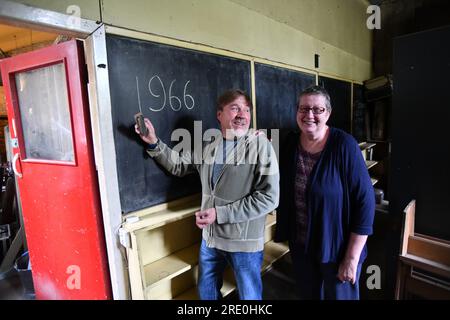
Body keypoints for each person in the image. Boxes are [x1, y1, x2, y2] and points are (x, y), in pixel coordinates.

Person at [135, 89, 279, 300]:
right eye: (235, 108)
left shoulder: (261, 145)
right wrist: (154, 143)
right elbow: (178, 165)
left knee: (250, 298)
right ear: (219, 114)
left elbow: (269, 197)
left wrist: (220, 214)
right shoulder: (207, 146)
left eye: (246, 109)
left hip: (244, 243)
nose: (242, 114)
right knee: (207, 294)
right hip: (210, 240)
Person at [274, 85, 375, 300]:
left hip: (338, 250)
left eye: (317, 109)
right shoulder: (290, 143)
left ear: (328, 113)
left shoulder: (344, 145)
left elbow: (365, 203)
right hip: (302, 247)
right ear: (297, 112)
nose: (309, 115)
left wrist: (351, 258)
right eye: (303, 108)